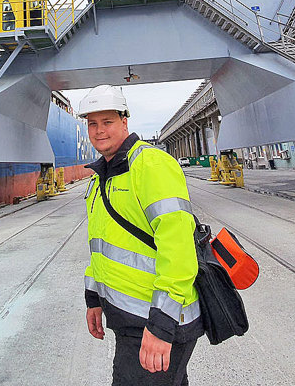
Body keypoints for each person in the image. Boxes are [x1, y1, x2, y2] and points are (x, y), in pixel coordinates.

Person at [79, 84, 202, 385]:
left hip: (156, 321)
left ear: (125, 122)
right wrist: (93, 297)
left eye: (107, 122)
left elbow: (179, 247)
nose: (98, 131)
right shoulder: (101, 178)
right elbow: (102, 246)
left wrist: (161, 325)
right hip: (128, 319)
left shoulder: (151, 164)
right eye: (92, 124)